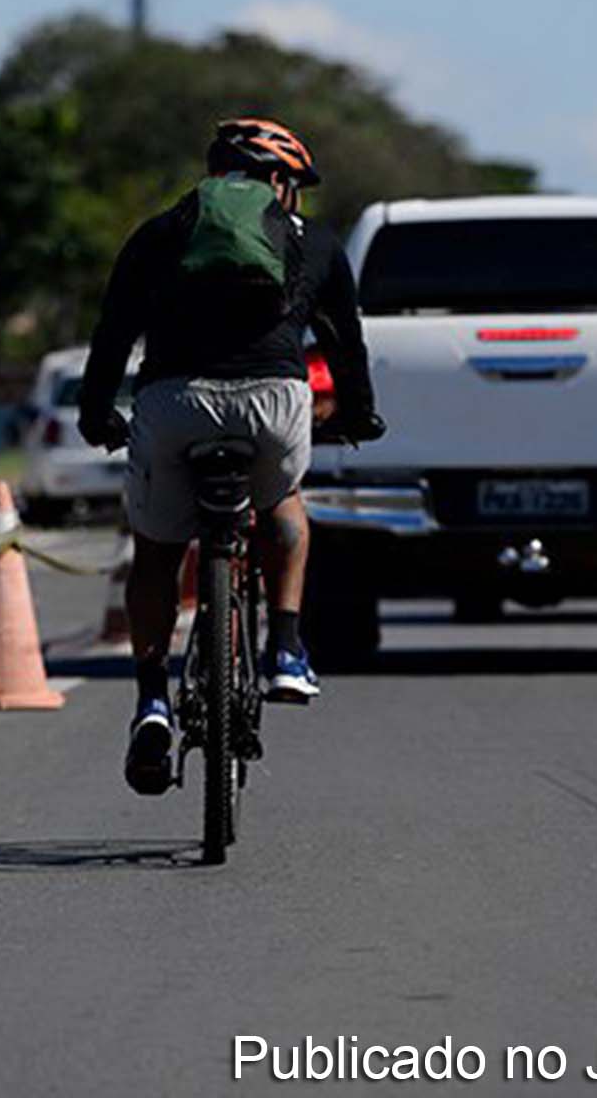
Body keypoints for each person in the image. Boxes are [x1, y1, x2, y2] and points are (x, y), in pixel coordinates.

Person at [75, 116, 385, 796]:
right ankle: (285, 649)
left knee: (156, 550)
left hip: (172, 404)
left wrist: (97, 415)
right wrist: (360, 413)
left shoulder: (159, 234)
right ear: (280, 180)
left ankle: (153, 700)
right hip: (273, 406)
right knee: (283, 504)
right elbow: (345, 346)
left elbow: (112, 335)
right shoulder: (318, 244)